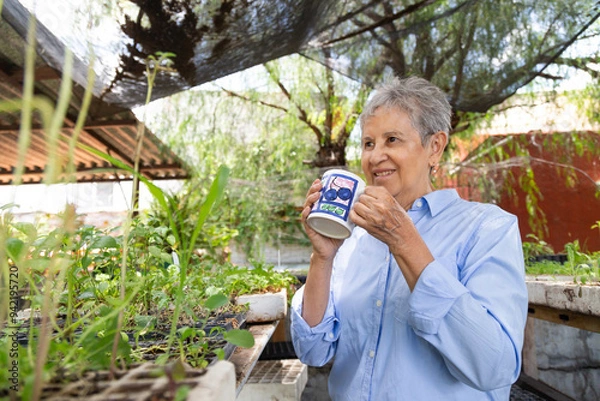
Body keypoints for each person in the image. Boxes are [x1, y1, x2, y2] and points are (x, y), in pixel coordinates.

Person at [290, 76, 528, 400]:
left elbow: (494, 366)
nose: (375, 157)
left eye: (392, 140)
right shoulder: (354, 240)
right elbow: (312, 351)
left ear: (435, 147)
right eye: (368, 143)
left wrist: (404, 241)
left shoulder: (486, 228)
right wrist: (323, 256)